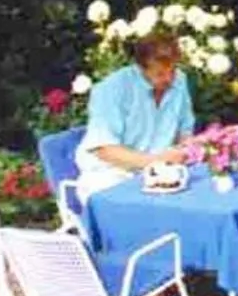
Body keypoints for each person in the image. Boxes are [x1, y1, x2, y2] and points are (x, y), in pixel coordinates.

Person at [74, 30, 195, 197]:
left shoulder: (180, 80)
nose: (169, 79)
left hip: (161, 171)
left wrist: (186, 151)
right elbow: (104, 150)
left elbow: (184, 132)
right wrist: (156, 162)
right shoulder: (111, 89)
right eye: (160, 73)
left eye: (172, 71)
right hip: (111, 173)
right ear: (141, 68)